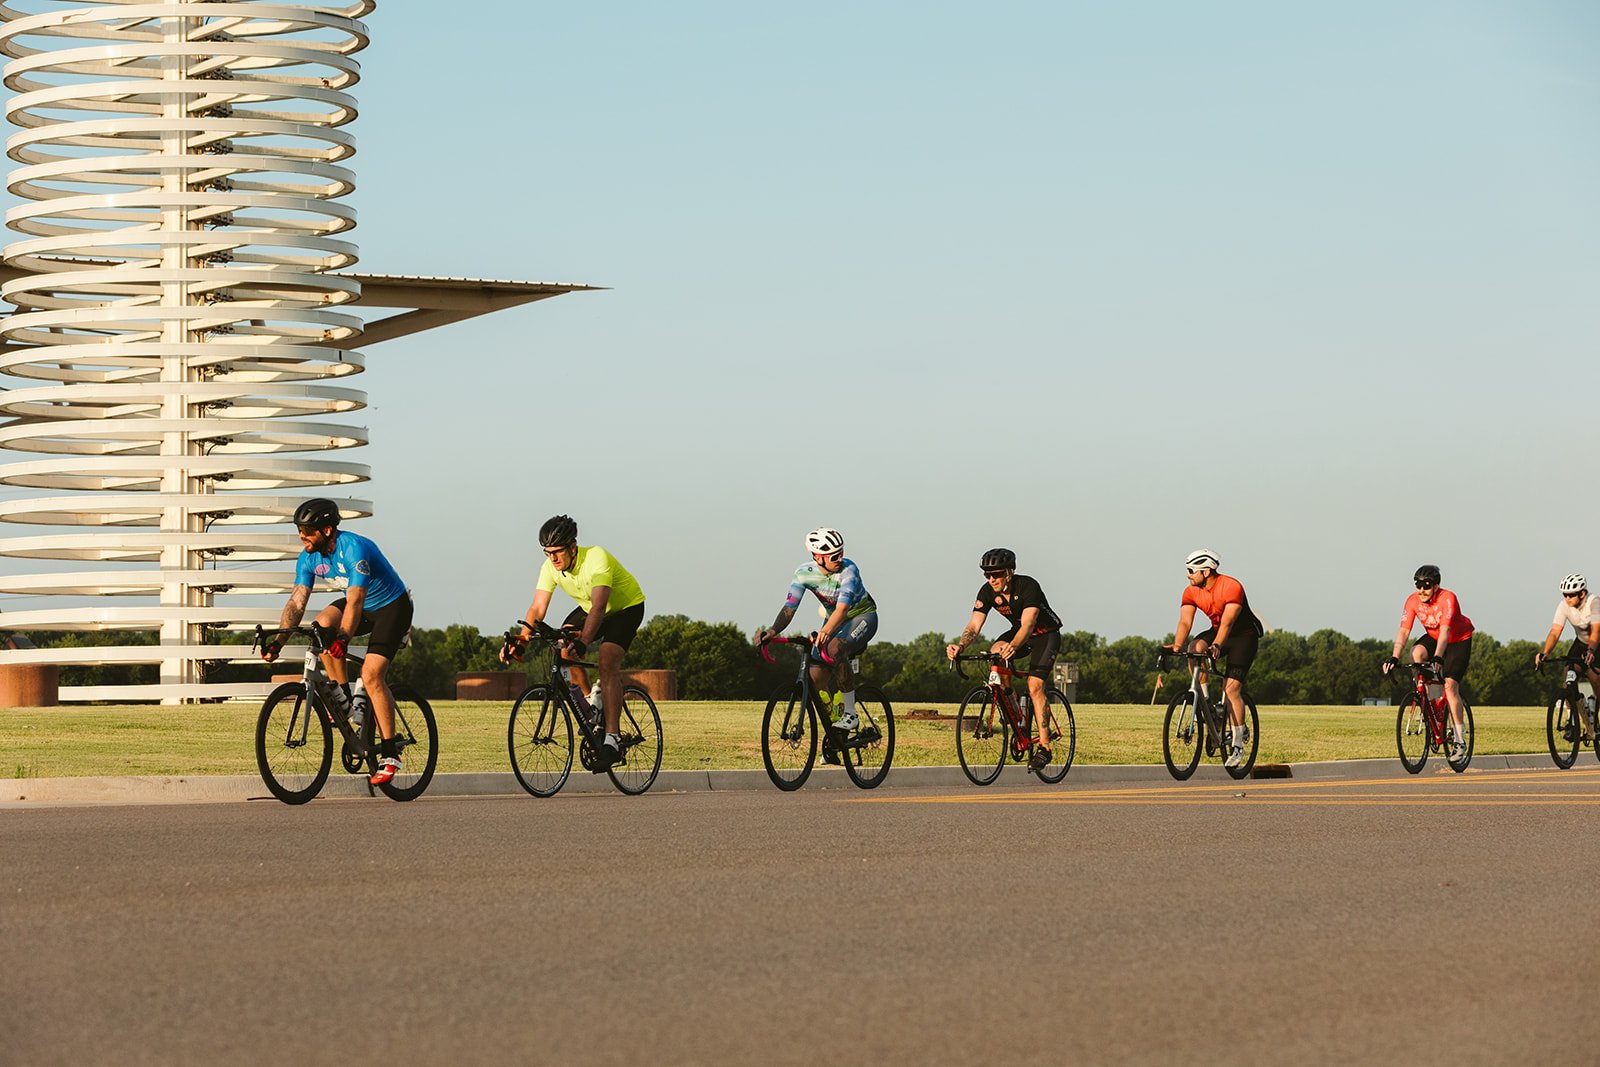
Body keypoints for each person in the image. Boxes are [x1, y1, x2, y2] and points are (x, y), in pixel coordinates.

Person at [261, 498, 414, 785]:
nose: (301, 536)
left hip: (392, 608)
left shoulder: (355, 548)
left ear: (328, 530)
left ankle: (391, 751)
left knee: (371, 675)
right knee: (319, 628)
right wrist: (278, 641)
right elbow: (296, 602)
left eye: (307, 530)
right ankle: (344, 700)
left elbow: (355, 601)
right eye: (299, 529)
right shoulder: (308, 557)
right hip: (361, 606)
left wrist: (343, 638)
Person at [501, 515, 647, 770]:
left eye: (557, 552)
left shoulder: (596, 558)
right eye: (547, 553)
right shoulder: (550, 568)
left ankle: (612, 738)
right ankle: (592, 702)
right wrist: (521, 641)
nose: (553, 559)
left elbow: (600, 606)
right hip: (590, 609)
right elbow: (537, 608)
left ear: (572, 547)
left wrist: (585, 642)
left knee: (607, 658)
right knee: (563, 645)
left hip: (626, 608)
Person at [754, 528, 878, 752]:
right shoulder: (803, 574)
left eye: (841, 552)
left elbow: (842, 610)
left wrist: (826, 632)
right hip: (835, 621)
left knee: (835, 647)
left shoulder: (849, 569)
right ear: (817, 557)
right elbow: (790, 608)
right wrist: (772, 631)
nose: (839, 558)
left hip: (862, 616)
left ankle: (850, 714)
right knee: (815, 676)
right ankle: (835, 731)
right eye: (833, 555)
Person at [944, 548, 1063, 772]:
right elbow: (974, 625)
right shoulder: (987, 591)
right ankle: (1015, 711)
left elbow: (1028, 624)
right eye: (986, 575)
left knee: (1034, 685)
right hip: (1020, 633)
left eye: (995, 574)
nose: (991, 579)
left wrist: (1014, 646)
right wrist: (960, 646)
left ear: (1009, 572)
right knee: (995, 651)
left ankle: (1045, 748)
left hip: (1045, 635)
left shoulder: (1028, 586)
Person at [1163, 549, 1264, 769]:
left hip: (1243, 637)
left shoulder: (1231, 586)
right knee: (1194, 647)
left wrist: (1217, 645)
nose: (1188, 575)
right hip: (1218, 630)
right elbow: (1185, 623)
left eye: (1191, 571)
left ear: (1206, 571)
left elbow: (1228, 623)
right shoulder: (1190, 591)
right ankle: (1207, 702)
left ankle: (1238, 743)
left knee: (1231, 689)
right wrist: (1177, 646)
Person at [1382, 564, 1474, 763]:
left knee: (1450, 686)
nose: (1422, 590)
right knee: (1416, 653)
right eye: (1418, 585)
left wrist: (1439, 657)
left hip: (1458, 639)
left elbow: (1446, 631)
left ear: (1436, 586)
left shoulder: (1448, 598)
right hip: (1434, 636)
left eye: (1427, 585)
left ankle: (1459, 740)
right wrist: (1394, 656)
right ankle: (1426, 697)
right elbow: (1404, 631)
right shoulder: (1413, 601)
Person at [1533, 573, 1600, 742]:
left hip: (1596, 642)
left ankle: (1595, 711)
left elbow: (1596, 631)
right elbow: (1555, 631)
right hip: (1580, 643)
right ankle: (1572, 720)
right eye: (1564, 595)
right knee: (1568, 675)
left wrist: (1591, 651)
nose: (1567, 598)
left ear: (1582, 594)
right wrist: (1545, 652)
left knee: (1594, 677)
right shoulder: (1564, 606)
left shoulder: (1594, 602)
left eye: (1571, 595)